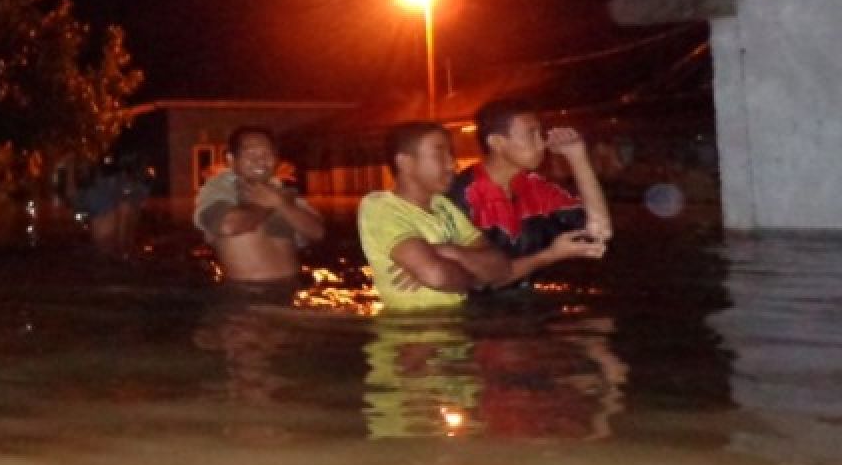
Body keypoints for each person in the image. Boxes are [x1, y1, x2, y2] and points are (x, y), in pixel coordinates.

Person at [447, 98, 612, 285]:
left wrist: (578, 157)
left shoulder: (534, 186)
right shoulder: (460, 194)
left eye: (540, 134)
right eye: (530, 135)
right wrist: (549, 256)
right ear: (497, 142)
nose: (541, 144)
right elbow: (473, 279)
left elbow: (599, 232)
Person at [358, 121, 510, 311]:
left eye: (450, 154)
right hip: (412, 334)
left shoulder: (442, 205)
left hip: (455, 328)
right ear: (405, 163)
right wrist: (478, 278)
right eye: (439, 154)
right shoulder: (380, 208)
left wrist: (447, 252)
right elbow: (436, 275)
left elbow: (502, 267)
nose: (451, 164)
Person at [194, 126, 324, 298]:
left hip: (293, 291)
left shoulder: (281, 192)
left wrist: (281, 204)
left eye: (267, 154)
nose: (260, 161)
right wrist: (270, 204)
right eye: (251, 154)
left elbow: (317, 232)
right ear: (231, 160)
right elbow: (228, 226)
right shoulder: (219, 188)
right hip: (245, 295)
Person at [74, 153, 150, 259]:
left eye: (84, 169)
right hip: (105, 236)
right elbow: (80, 215)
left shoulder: (109, 185)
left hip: (109, 235)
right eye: (80, 170)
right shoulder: (85, 194)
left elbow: (136, 193)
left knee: (125, 207)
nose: (82, 172)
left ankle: (122, 249)